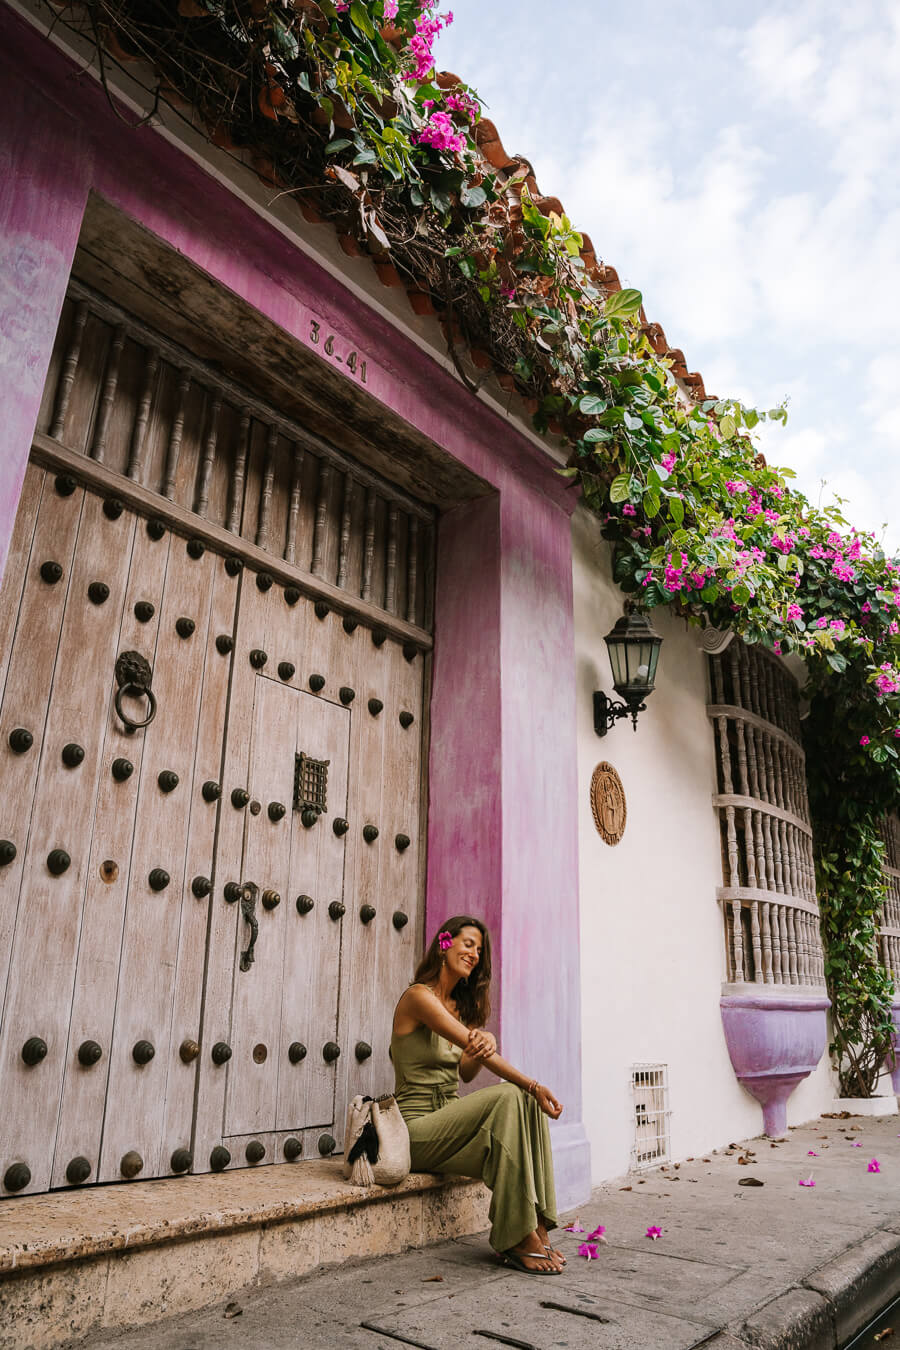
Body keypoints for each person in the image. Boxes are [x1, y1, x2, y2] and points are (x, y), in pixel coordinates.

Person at [390, 914, 565, 1275]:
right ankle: (515, 1238)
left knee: (523, 1102)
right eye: (468, 943)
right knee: (513, 1094)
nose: (474, 953)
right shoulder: (418, 997)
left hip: (448, 1122)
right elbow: (468, 1044)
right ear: (444, 943)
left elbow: (465, 1072)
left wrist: (486, 1043)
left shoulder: (459, 1009)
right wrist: (533, 1083)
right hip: (416, 1128)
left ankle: (538, 1226)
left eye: (479, 950)